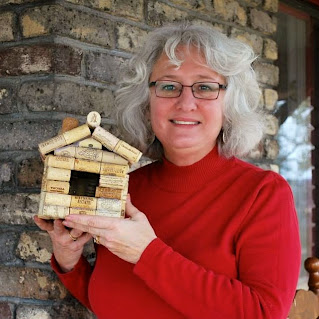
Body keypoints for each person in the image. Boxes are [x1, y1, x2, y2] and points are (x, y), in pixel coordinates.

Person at [34, 23, 301, 319]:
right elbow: (114, 300)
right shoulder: (122, 187)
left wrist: (147, 254)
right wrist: (69, 259)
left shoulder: (263, 193)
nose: (186, 103)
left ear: (230, 104)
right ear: (147, 104)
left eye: (205, 87)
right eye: (168, 86)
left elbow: (264, 313)